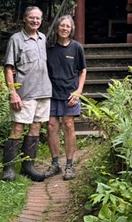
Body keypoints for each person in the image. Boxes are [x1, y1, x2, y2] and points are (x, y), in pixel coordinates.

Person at [1, 6, 51, 182]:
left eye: (38, 18)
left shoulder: (42, 38)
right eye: (32, 18)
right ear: (24, 19)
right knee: (17, 128)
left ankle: (28, 166)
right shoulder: (16, 39)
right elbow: (8, 68)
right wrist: (12, 92)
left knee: (36, 127)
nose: (35, 21)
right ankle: (9, 169)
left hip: (43, 91)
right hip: (24, 93)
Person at [44, 15, 87, 180]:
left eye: (67, 26)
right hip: (51, 93)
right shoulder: (49, 48)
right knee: (51, 127)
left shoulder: (77, 48)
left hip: (70, 94)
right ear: (57, 27)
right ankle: (55, 164)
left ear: (72, 29)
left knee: (68, 125)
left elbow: (83, 70)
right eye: (62, 25)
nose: (64, 28)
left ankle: (69, 165)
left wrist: (78, 91)